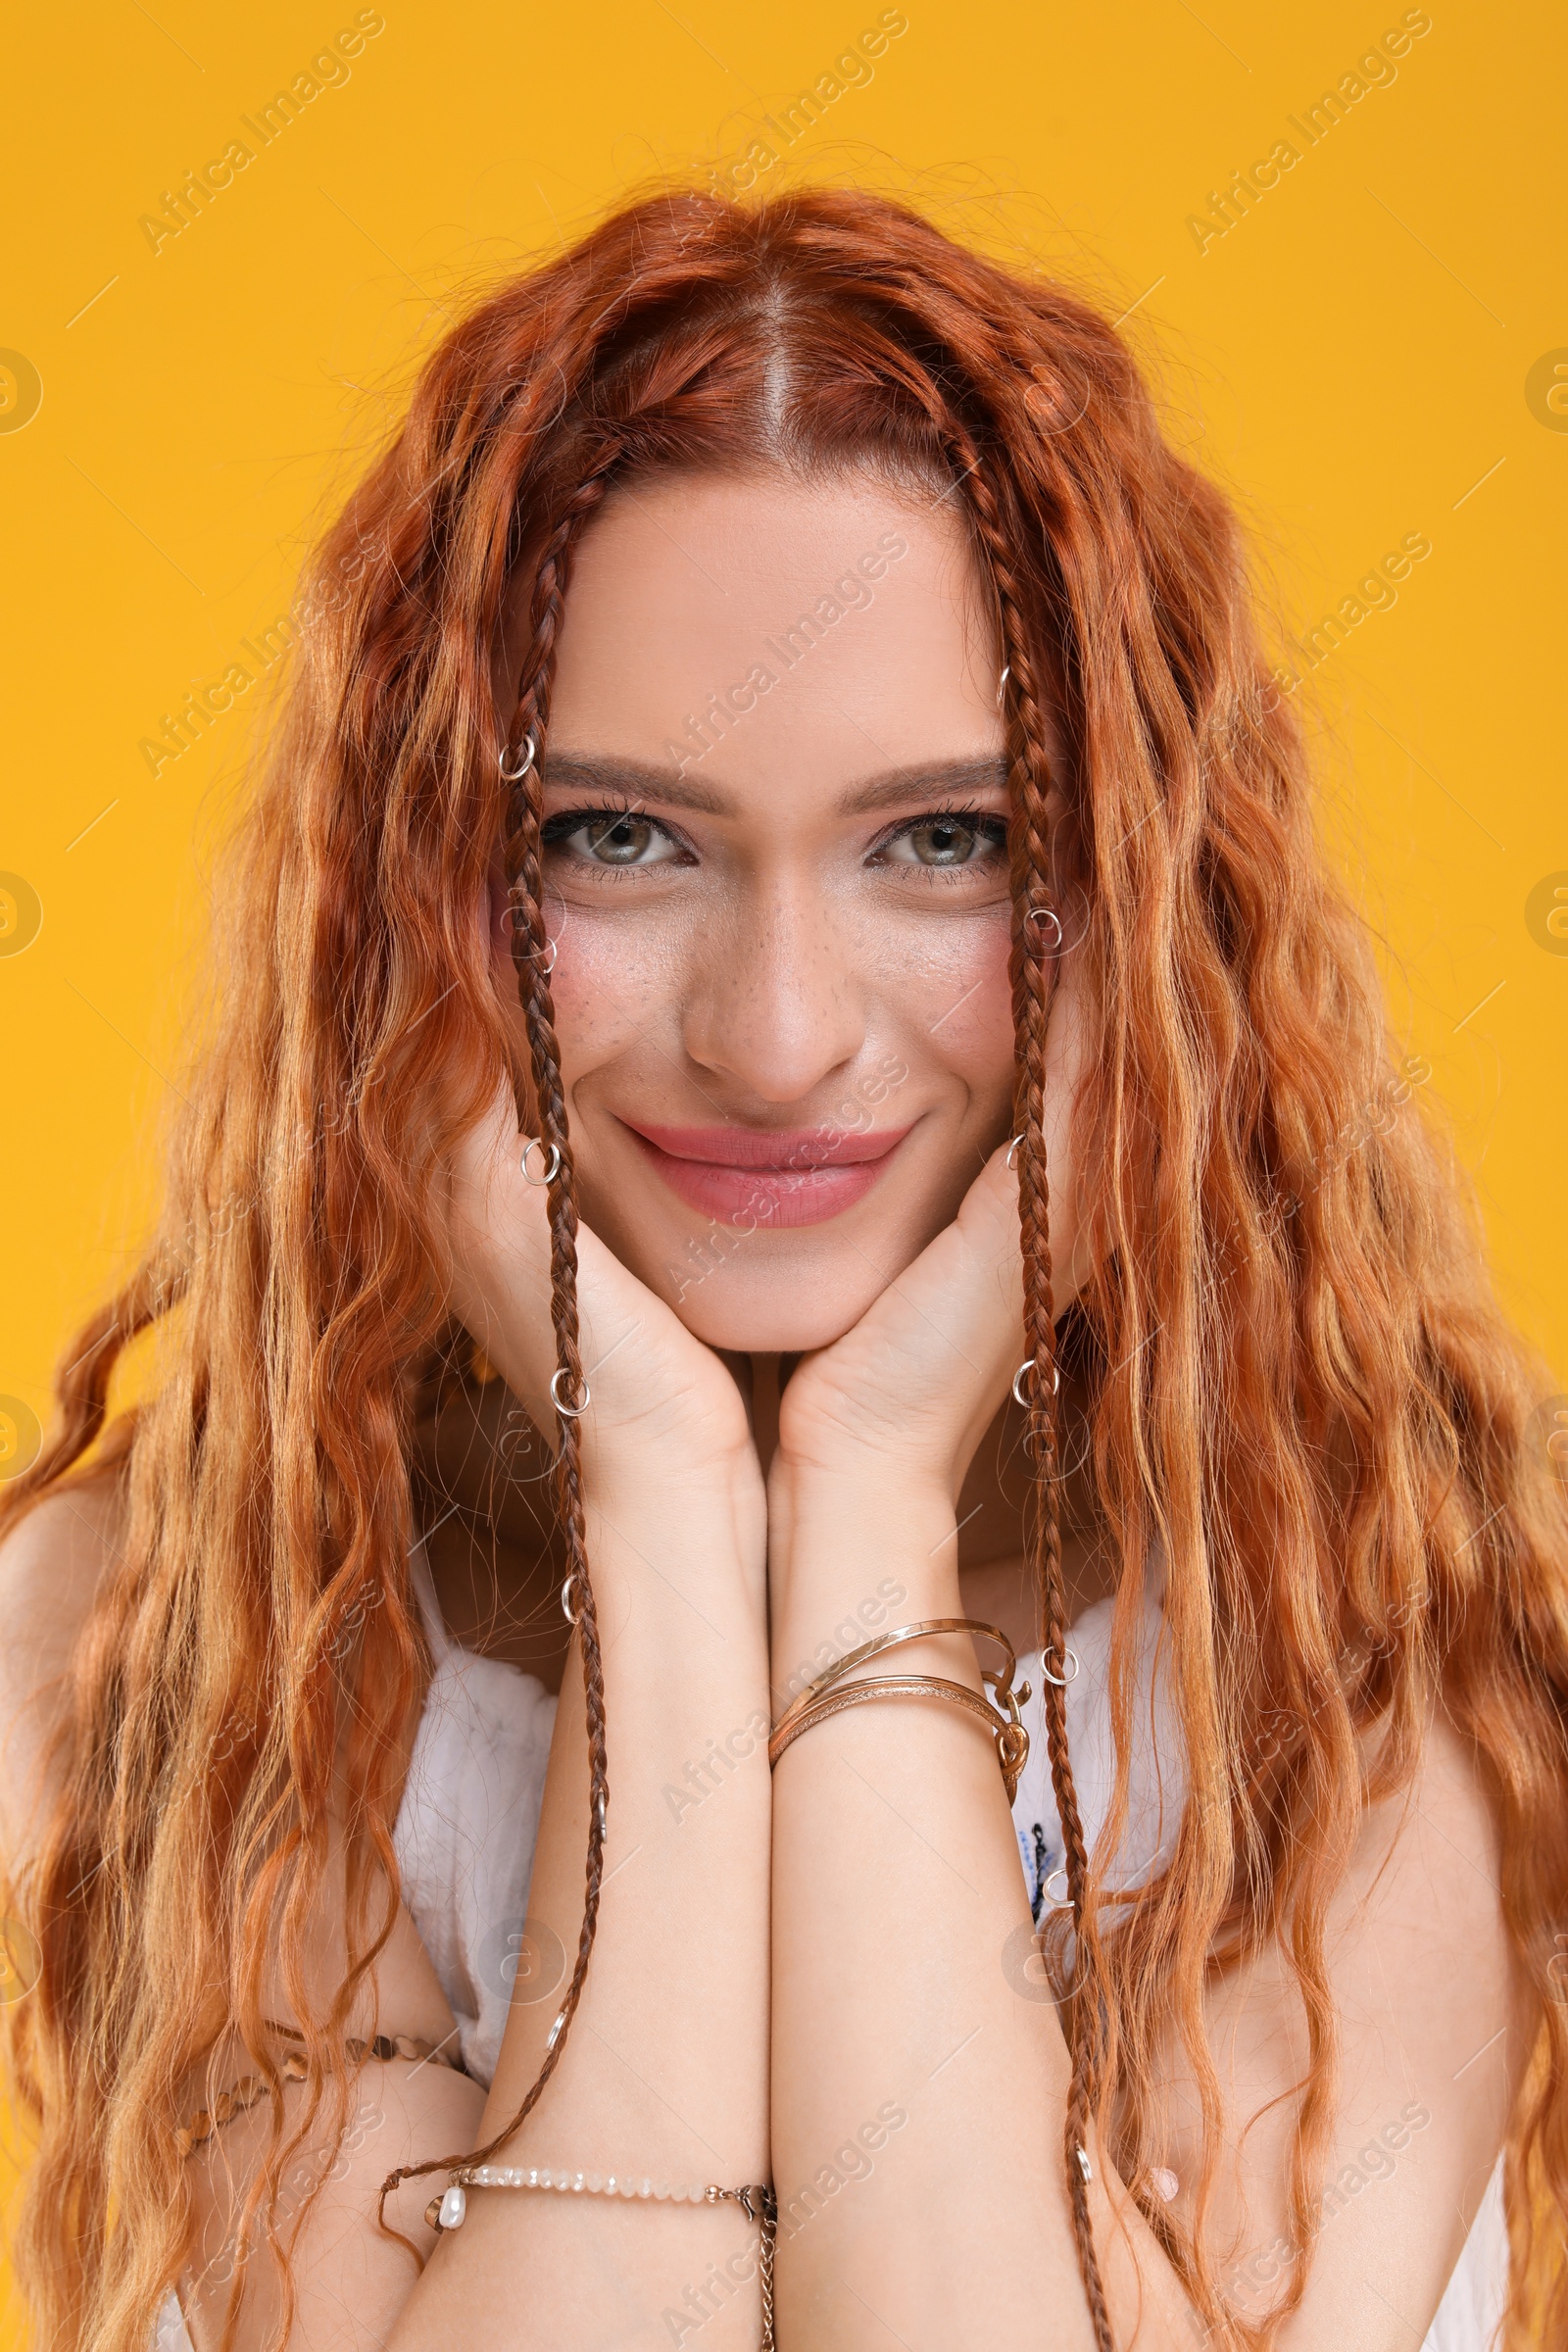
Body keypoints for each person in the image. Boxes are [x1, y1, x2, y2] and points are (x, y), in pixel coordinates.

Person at [0, 184, 1562, 2352]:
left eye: (948, 843)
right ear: (412, 892)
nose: (779, 1034)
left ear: (1141, 908)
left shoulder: (1406, 1629)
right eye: (612, 839)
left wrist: (857, 1519)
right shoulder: (168, 1642)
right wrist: (658, 1518)